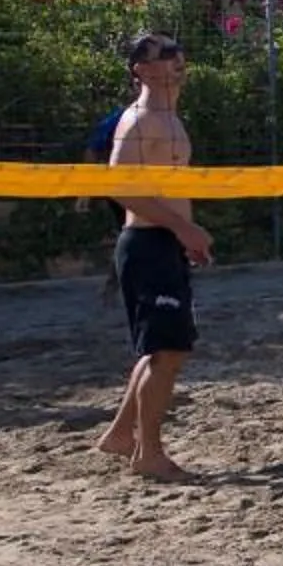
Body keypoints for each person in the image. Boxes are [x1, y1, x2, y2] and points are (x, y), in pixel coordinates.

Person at [98, 32, 212, 481]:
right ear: (140, 70)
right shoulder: (140, 120)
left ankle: (119, 435)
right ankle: (149, 454)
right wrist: (182, 228)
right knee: (167, 352)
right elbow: (119, 187)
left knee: (160, 350)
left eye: (176, 50)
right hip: (147, 243)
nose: (175, 57)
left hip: (165, 242)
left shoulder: (170, 118)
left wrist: (187, 235)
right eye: (161, 53)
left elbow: (170, 190)